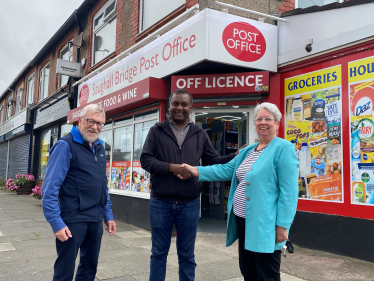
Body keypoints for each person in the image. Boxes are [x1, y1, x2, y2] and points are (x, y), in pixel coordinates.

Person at [182, 102, 299, 281]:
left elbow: (289, 193)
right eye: (259, 119)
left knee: (267, 274)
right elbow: (225, 170)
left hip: (265, 224)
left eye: (268, 119)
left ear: (277, 123)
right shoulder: (248, 151)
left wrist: (283, 226)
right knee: (248, 271)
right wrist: (194, 170)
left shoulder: (284, 149)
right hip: (243, 221)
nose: (263, 122)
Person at [140, 89, 244, 281]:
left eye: (184, 104)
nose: (179, 107)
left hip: (190, 203)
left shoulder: (199, 133)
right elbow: (145, 160)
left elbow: (213, 159)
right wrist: (172, 168)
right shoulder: (157, 130)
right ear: (169, 106)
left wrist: (234, 156)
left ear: (191, 108)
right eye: (175, 103)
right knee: (158, 254)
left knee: (187, 255)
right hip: (160, 202)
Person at [42, 104, 116, 281]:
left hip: (95, 219)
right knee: (64, 272)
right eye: (91, 121)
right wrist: (56, 223)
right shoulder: (65, 146)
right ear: (80, 120)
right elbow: (49, 189)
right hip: (73, 219)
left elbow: (102, 185)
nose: (95, 127)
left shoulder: (99, 147)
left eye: (100, 123)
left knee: (89, 269)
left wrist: (108, 215)